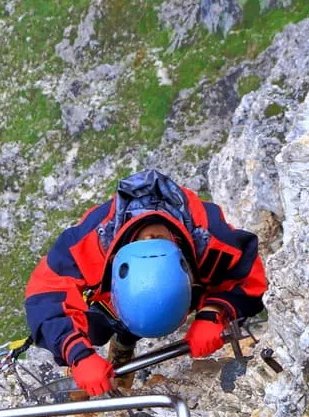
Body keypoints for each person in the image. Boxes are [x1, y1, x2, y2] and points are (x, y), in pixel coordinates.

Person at [24, 170, 268, 397]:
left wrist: (214, 312)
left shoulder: (214, 241)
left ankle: (128, 340)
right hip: (108, 300)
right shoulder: (87, 245)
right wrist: (78, 354)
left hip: (192, 280)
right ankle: (122, 337)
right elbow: (44, 294)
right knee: (96, 329)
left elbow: (251, 280)